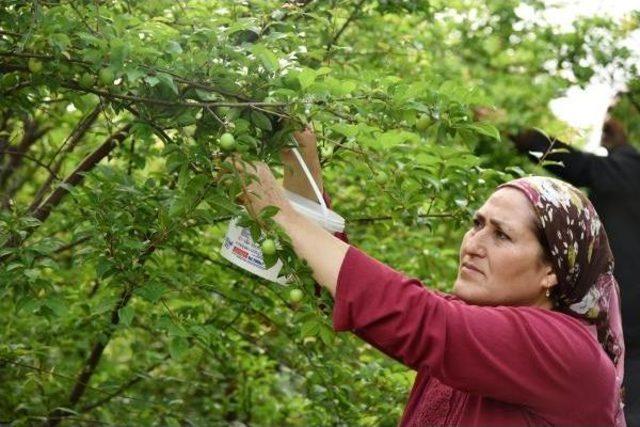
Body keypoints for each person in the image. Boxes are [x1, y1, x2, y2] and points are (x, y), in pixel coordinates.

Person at [233, 129, 625, 425]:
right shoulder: (478, 324)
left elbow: (414, 318)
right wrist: (299, 156)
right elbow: (347, 292)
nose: (473, 244)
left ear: (551, 272)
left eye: (501, 234)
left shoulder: (565, 351)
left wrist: (278, 213)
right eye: (477, 224)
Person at [512, 117, 640, 424]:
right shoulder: (626, 171)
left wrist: (518, 134)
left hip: (621, 322)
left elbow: (572, 164)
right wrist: (622, 147)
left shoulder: (626, 173)